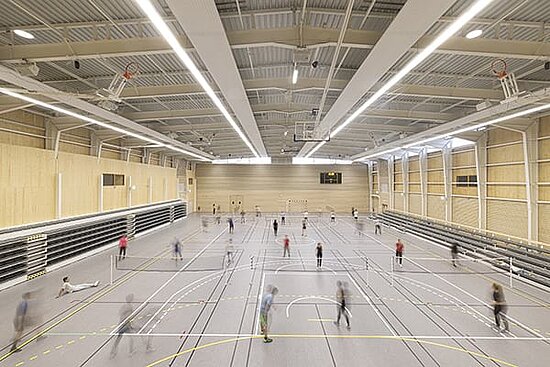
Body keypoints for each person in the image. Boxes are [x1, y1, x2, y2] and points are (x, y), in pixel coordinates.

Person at [110, 294, 136, 358]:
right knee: (131, 338)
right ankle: (131, 352)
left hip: (121, 324)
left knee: (118, 339)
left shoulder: (124, 306)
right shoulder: (130, 307)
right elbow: (130, 317)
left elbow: (120, 314)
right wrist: (131, 325)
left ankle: (112, 352)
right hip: (126, 325)